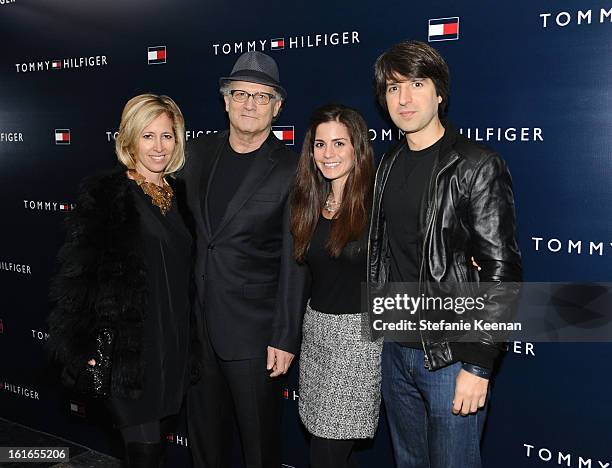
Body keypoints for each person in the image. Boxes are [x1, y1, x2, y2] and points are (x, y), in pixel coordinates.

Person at [369, 41, 522, 468]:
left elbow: (502, 270)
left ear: (439, 94)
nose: (404, 98)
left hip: (451, 354)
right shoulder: (388, 163)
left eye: (417, 84)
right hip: (394, 351)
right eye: (394, 87)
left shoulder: (476, 164)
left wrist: (479, 364)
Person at [47, 94, 199, 467]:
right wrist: (85, 350)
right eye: (148, 136)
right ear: (129, 139)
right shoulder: (108, 196)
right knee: (143, 450)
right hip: (128, 352)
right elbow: (79, 280)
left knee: (154, 448)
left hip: (173, 348)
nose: (159, 147)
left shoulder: (181, 195)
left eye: (167, 136)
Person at [183, 51, 308, 468]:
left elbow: (296, 260)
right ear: (225, 100)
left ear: (277, 106)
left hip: (256, 337)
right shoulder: (196, 154)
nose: (249, 104)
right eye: (240, 94)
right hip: (197, 330)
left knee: (258, 448)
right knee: (204, 445)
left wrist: (285, 336)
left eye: (261, 96)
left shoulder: (294, 167)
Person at [290, 104, 381, 468]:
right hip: (317, 333)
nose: (328, 154)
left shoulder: (378, 204)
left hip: (358, 342)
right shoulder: (310, 203)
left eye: (339, 144)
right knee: (332, 450)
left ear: (357, 148)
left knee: (326, 453)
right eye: (320, 144)